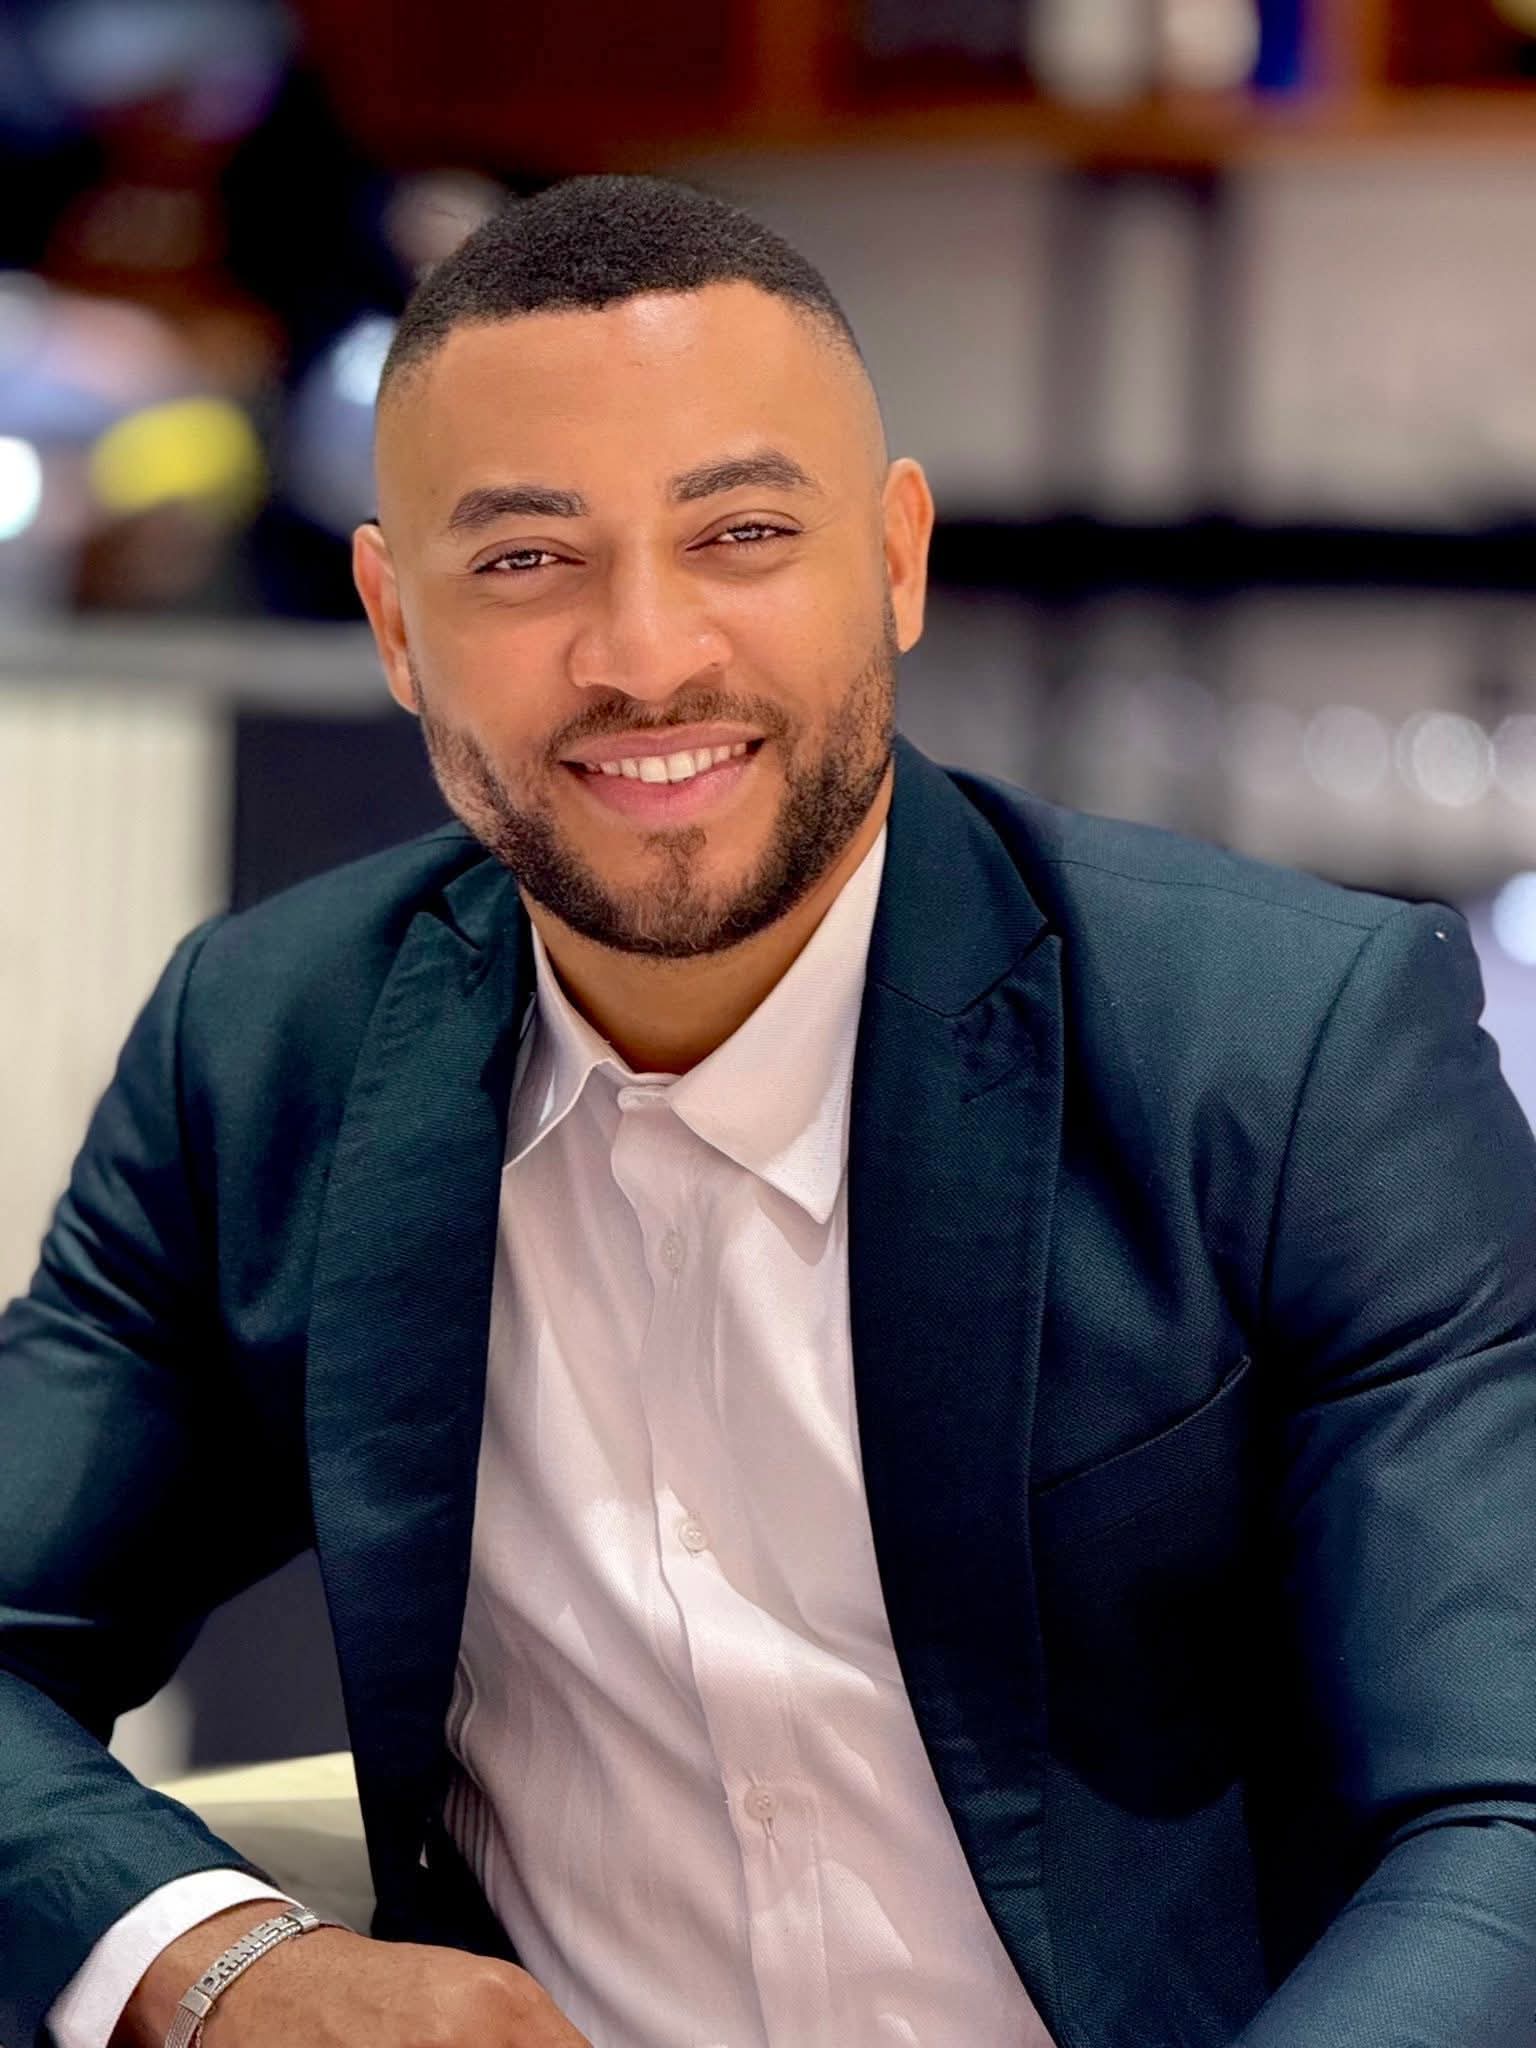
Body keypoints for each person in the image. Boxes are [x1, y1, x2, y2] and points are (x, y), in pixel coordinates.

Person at [3, 174, 1535, 2048]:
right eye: (528, 560)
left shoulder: (1284, 1049)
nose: (646, 655)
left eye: (738, 533)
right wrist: (230, 1971)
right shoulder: (265, 1053)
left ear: (895, 560)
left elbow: (1503, 1821)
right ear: (396, 625)